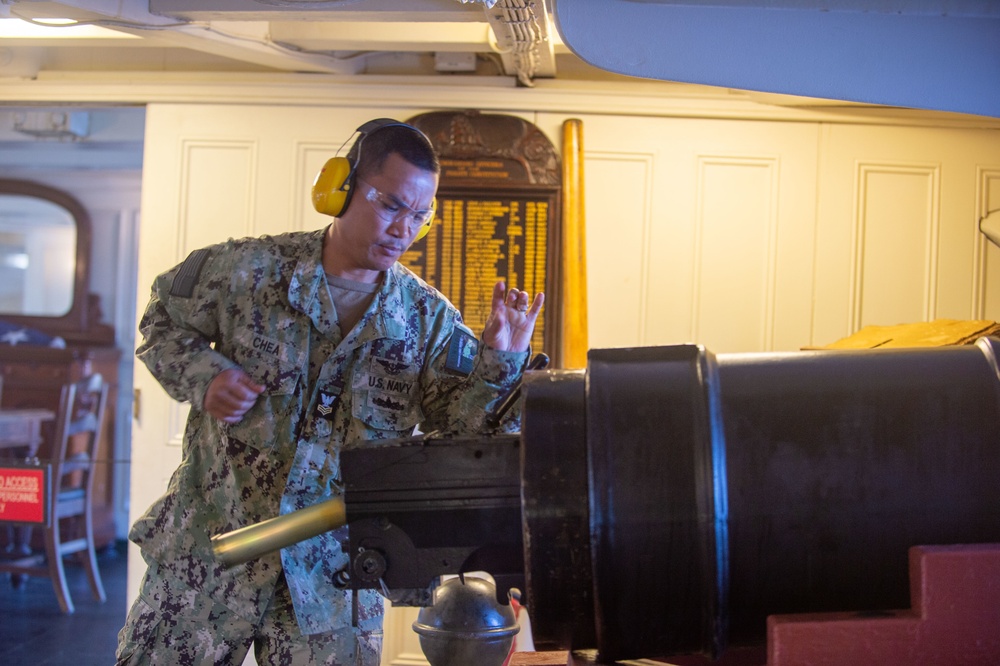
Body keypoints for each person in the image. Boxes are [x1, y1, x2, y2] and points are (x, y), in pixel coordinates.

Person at [116, 118, 544, 666]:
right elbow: (163, 322)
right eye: (391, 206)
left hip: (331, 580)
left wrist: (499, 364)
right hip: (207, 556)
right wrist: (207, 377)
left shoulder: (428, 319)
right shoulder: (247, 271)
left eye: (420, 215)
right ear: (339, 190)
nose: (404, 229)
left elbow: (462, 439)